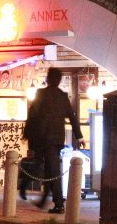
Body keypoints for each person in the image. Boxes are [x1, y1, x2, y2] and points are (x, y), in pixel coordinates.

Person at [23, 68, 83, 213]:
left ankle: (29, 189)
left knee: (41, 167)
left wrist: (26, 133)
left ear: (49, 79)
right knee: (52, 170)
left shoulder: (41, 93)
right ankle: (54, 202)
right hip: (56, 140)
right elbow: (72, 117)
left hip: (41, 139)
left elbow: (32, 115)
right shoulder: (63, 96)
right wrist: (79, 136)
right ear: (59, 80)